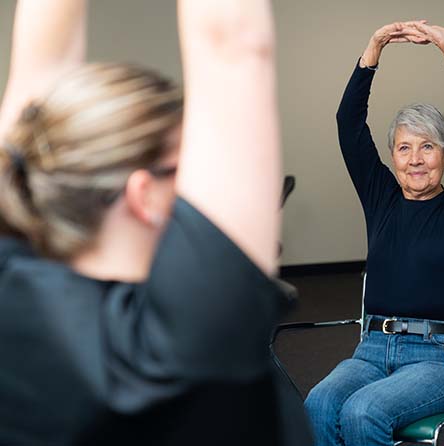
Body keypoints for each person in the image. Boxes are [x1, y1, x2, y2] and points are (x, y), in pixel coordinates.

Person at [0, 0, 311, 444]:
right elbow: (231, 44)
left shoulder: (9, 277)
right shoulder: (192, 337)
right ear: (143, 195)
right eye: (187, 173)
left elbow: (37, 78)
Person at [304, 21, 444, 446]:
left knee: (362, 411)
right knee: (318, 404)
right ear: (391, 157)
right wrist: (372, 50)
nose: (415, 159)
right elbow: (348, 123)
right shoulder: (382, 200)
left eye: (427, 146)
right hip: (372, 349)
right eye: (404, 148)